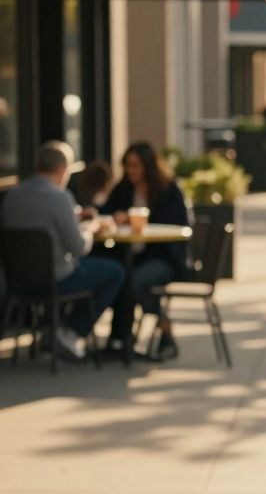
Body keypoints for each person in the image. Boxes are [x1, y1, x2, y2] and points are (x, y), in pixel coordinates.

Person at [1, 141, 124, 359]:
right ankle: (71, 332)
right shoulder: (60, 197)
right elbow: (79, 247)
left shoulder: (13, 195)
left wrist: (74, 218)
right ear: (61, 169)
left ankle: (53, 330)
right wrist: (90, 227)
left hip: (16, 281)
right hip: (56, 279)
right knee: (115, 271)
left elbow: (37, 221)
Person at [101, 141, 192, 359]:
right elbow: (105, 212)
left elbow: (177, 226)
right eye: (128, 166)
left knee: (133, 282)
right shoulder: (124, 188)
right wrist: (115, 217)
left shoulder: (167, 190)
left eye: (135, 166)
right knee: (119, 276)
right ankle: (121, 339)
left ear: (148, 166)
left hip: (164, 258)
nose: (131, 171)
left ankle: (159, 330)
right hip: (131, 256)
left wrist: (144, 219)